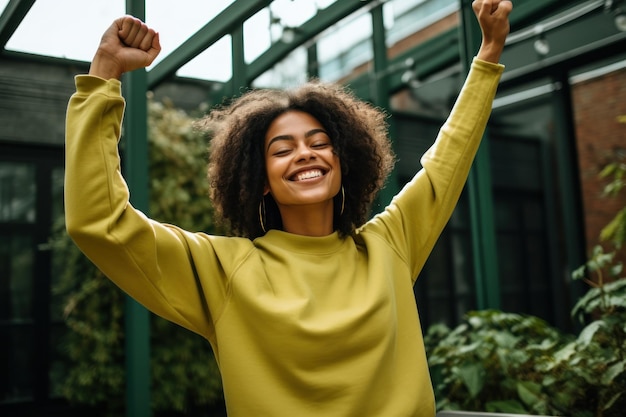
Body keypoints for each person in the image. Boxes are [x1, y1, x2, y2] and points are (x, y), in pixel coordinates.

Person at [64, 0, 512, 416]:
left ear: (343, 161)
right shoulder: (222, 271)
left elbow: (447, 162)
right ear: (258, 181)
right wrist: (104, 76)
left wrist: (488, 54)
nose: (305, 154)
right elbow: (100, 221)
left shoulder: (390, 245)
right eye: (283, 149)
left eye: (320, 143)